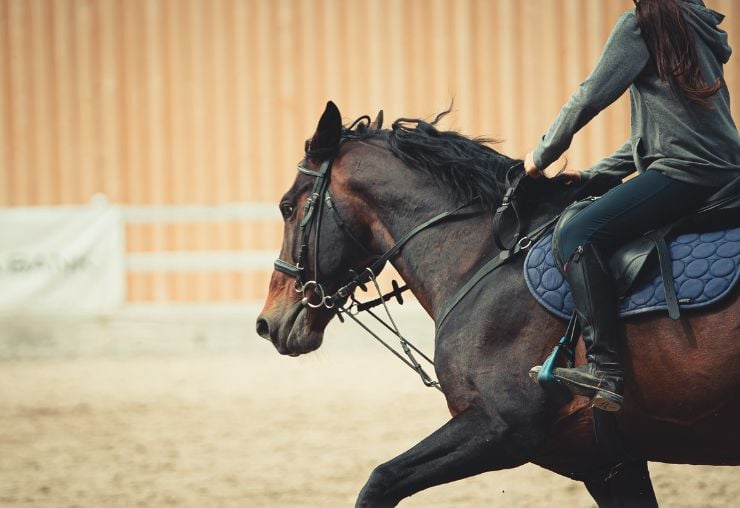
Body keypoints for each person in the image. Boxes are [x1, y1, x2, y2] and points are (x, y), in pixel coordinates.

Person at [524, 0, 740, 412]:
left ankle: (605, 368)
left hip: (687, 174)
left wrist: (541, 155)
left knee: (576, 232)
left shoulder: (641, 26)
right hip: (722, 169)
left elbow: (588, 97)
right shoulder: (692, 25)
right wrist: (592, 176)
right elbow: (664, 135)